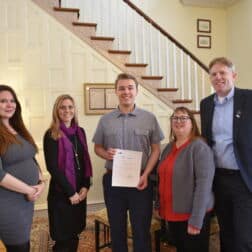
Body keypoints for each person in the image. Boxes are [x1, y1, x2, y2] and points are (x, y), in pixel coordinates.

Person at [92, 73, 164, 252]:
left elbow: (156, 149)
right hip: (113, 181)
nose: (126, 92)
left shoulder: (149, 118)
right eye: (122, 88)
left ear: (137, 91)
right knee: (117, 230)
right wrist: (106, 154)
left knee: (141, 230)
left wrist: (147, 174)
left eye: (130, 87)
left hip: (141, 181)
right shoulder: (105, 120)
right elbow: (97, 148)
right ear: (116, 91)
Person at [200, 57, 252, 252]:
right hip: (219, 179)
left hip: (244, 179)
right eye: (214, 74)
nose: (218, 77)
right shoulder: (206, 104)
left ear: (234, 75)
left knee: (244, 236)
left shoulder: (249, 99)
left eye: (223, 73)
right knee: (226, 233)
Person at [156, 106, 215, 252]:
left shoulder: (199, 147)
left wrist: (196, 220)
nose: (178, 121)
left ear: (192, 123)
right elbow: (160, 178)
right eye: (175, 118)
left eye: (183, 118)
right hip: (173, 213)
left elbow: (204, 187)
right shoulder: (168, 148)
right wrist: (158, 205)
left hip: (192, 215)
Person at [43, 94, 93, 252]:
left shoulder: (80, 132)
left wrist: (85, 186)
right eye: (62, 107)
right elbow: (53, 167)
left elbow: (85, 160)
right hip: (62, 193)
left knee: (74, 233)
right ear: (56, 111)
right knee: (63, 238)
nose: (67, 110)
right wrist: (71, 193)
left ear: (74, 110)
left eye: (70, 107)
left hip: (80, 191)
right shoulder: (51, 134)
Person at [0, 84, 45, 252]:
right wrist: (29, 190)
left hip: (26, 200)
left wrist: (40, 182)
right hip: (7, 202)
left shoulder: (17, 128)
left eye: (12, 101)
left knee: (23, 244)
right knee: (19, 247)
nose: (9, 104)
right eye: (3, 101)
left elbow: (31, 157)